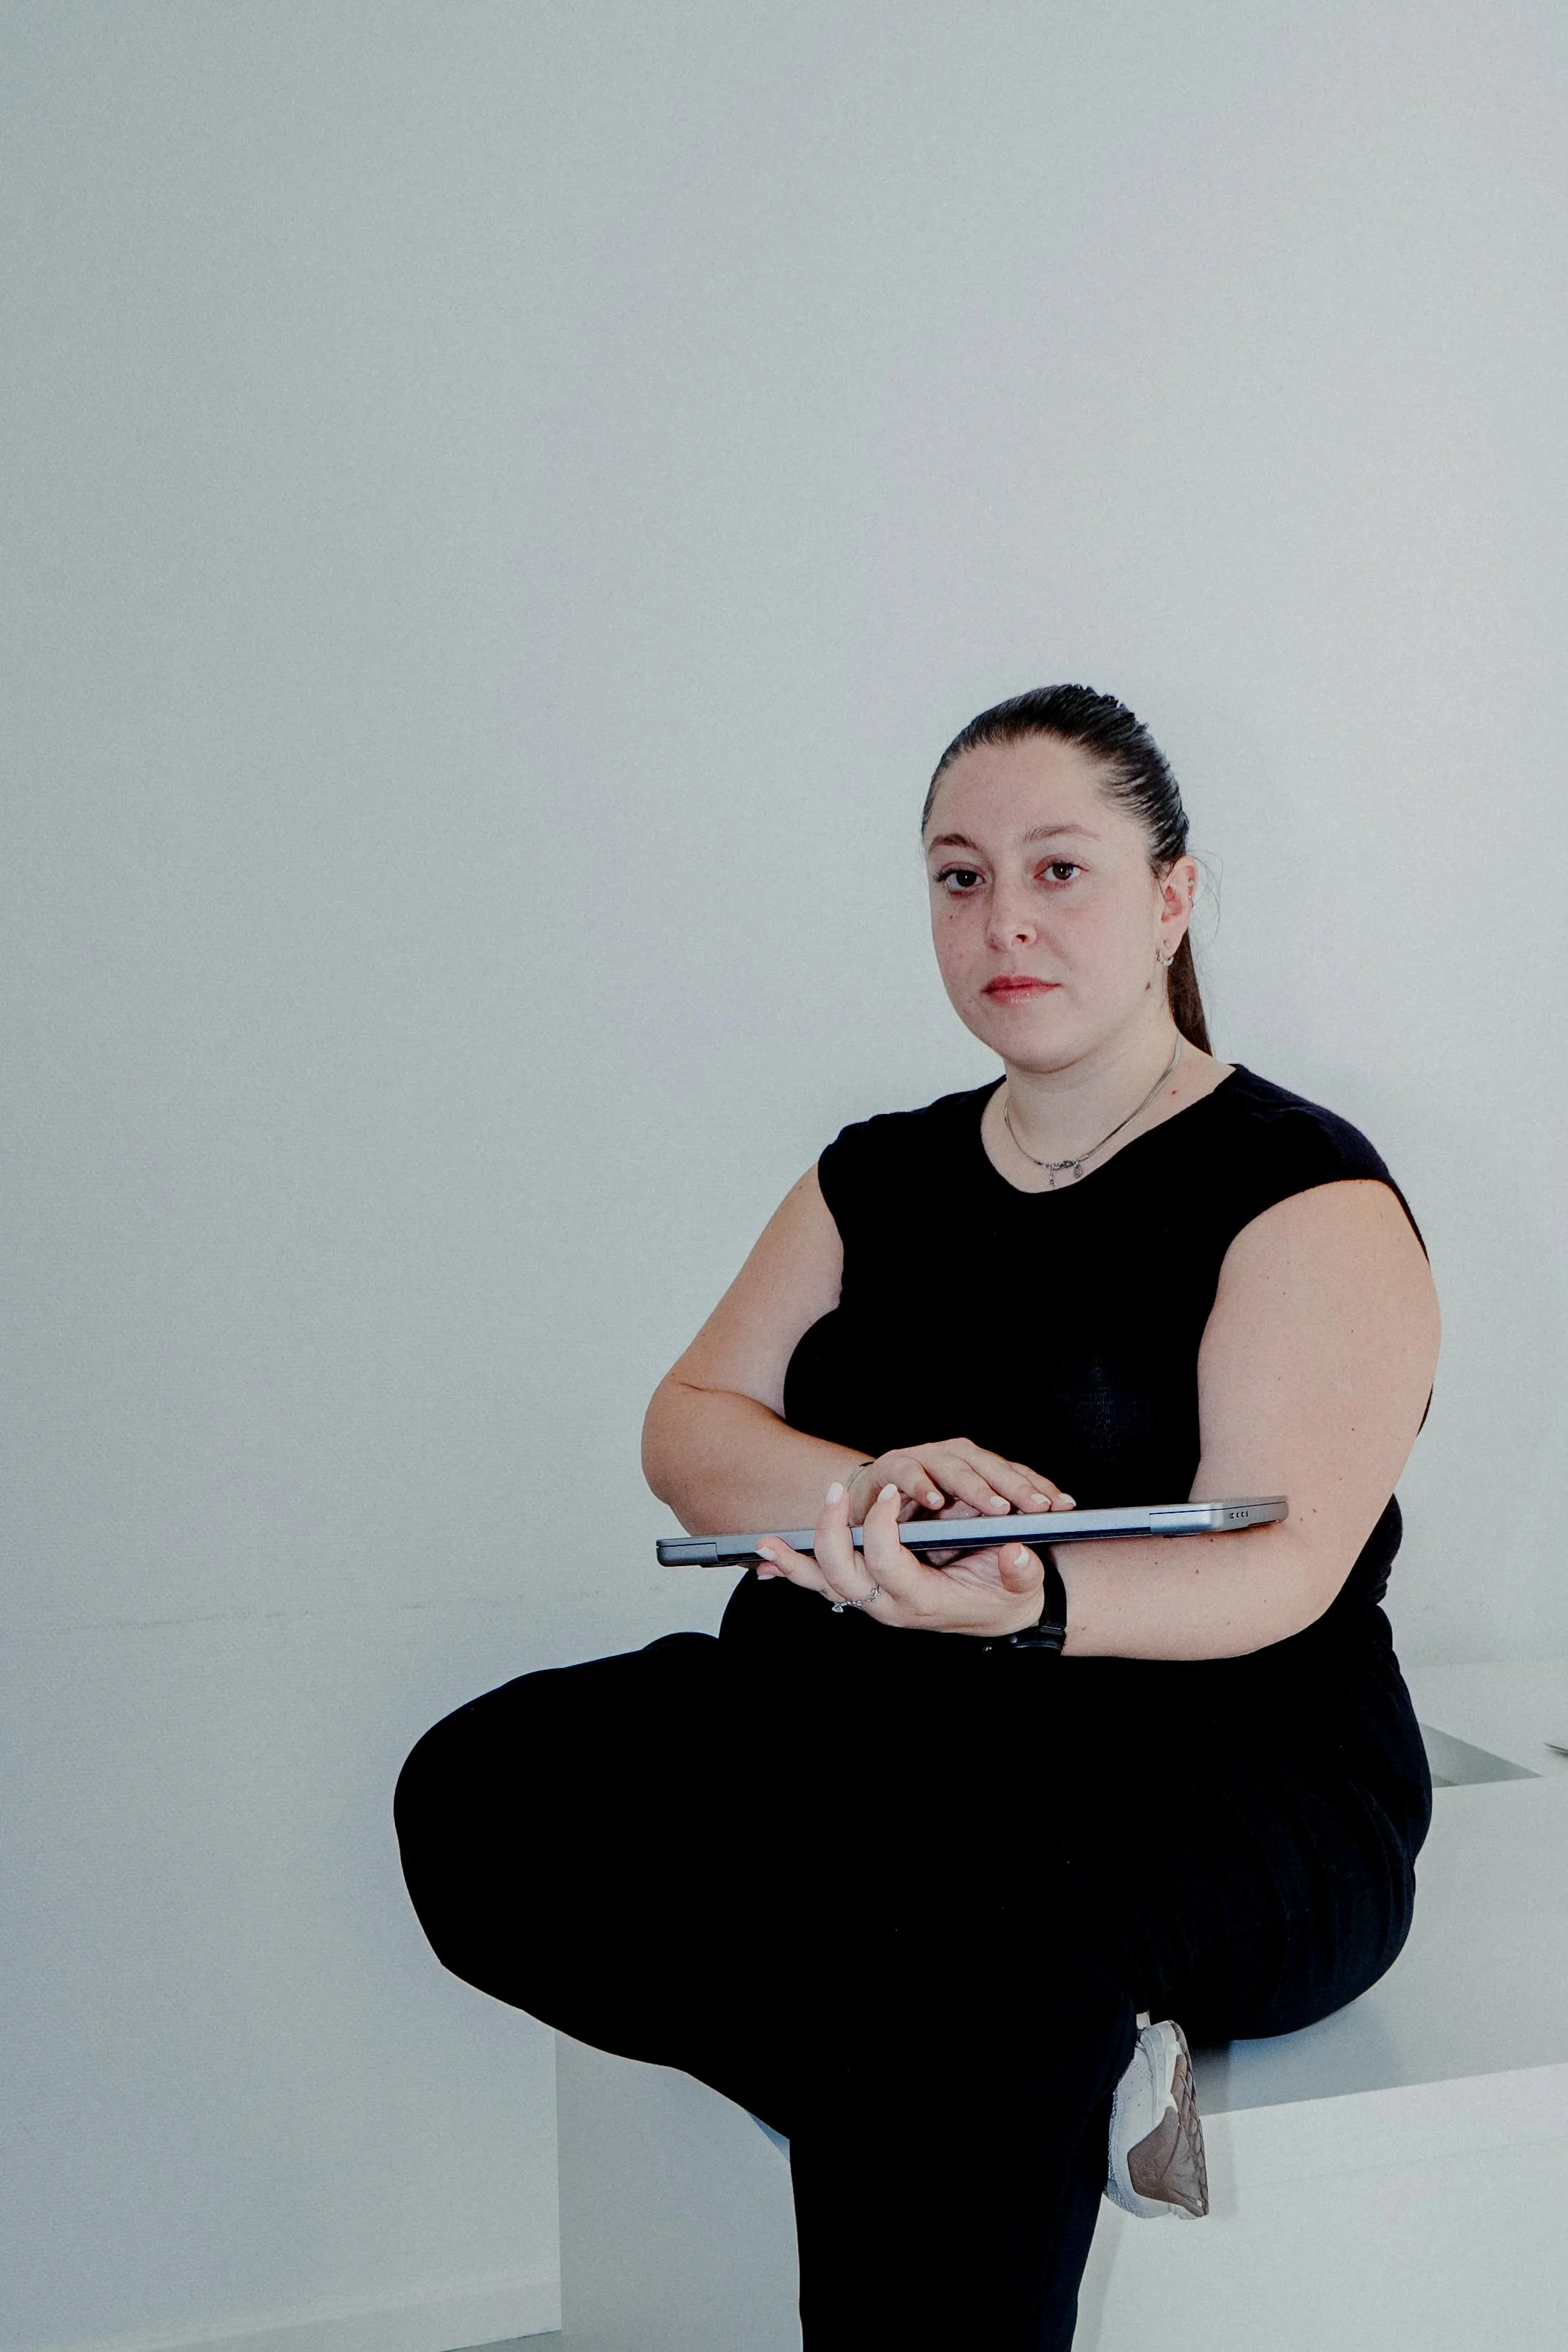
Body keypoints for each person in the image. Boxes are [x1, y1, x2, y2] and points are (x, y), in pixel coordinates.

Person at [394, 684, 1441, 2351]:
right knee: (485, 1781)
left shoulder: (1301, 1188)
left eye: (1057, 868)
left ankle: (1028, 2031)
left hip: (1213, 1750)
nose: (1002, 918)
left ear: (1171, 896)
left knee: (969, 1953)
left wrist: (1025, 1600)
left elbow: (1283, 1565)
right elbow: (687, 1429)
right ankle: (1039, 2051)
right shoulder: (873, 1173)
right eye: (958, 878)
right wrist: (863, 1490)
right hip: (878, 1708)